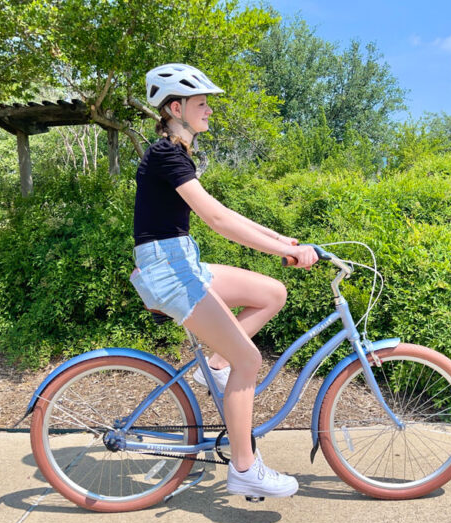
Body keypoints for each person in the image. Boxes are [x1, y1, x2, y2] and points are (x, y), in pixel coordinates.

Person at [129, 63, 318, 499]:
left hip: (182, 262)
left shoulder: (178, 153)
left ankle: (213, 367)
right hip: (169, 271)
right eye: (201, 103)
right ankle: (245, 468)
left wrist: (279, 239)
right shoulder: (165, 154)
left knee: (272, 292)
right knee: (249, 361)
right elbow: (215, 220)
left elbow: (224, 212)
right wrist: (285, 252)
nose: (209, 110)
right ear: (176, 107)